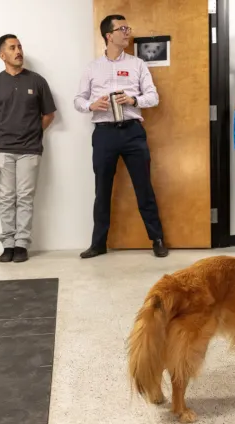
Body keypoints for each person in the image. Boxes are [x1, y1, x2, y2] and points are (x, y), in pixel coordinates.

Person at [74, 14, 168, 259]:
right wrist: (91, 105)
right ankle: (98, 243)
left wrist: (134, 100)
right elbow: (78, 100)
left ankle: (157, 239)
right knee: (102, 190)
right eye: (122, 28)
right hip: (104, 134)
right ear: (109, 35)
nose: (127, 32)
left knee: (143, 187)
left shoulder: (138, 64)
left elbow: (153, 97)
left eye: (128, 27)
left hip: (132, 132)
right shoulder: (92, 68)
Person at [0, 34, 56, 263]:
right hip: (2, 149)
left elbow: (49, 114)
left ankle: (21, 244)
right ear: (2, 55)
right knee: (6, 197)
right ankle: (8, 243)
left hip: (30, 149)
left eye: (20, 46)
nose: (18, 51)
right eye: (12, 48)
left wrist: (34, 131)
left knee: (25, 198)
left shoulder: (37, 81)